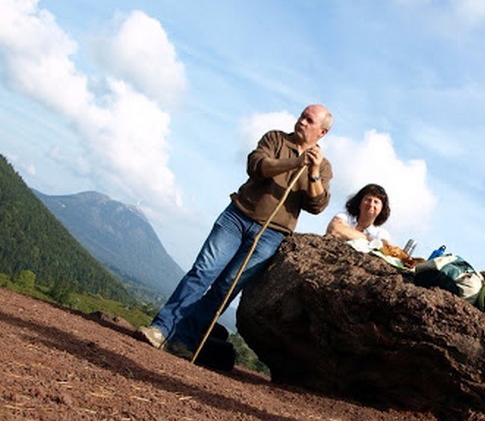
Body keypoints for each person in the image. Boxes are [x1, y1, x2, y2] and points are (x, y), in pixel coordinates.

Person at [138, 104, 333, 357]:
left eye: (309, 120)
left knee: (226, 288)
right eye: (301, 116)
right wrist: (295, 162)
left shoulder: (324, 166)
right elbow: (257, 165)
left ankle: (183, 340)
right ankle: (161, 329)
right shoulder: (275, 138)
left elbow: (317, 205)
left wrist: (313, 172)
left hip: (271, 233)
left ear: (322, 132)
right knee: (202, 272)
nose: (301, 122)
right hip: (237, 216)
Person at [325, 183, 392, 244]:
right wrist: (369, 239)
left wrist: (346, 231)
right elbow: (334, 230)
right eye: (368, 200)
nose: (371, 204)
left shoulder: (381, 234)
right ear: (359, 203)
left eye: (376, 202)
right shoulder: (345, 217)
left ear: (382, 209)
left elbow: (383, 248)